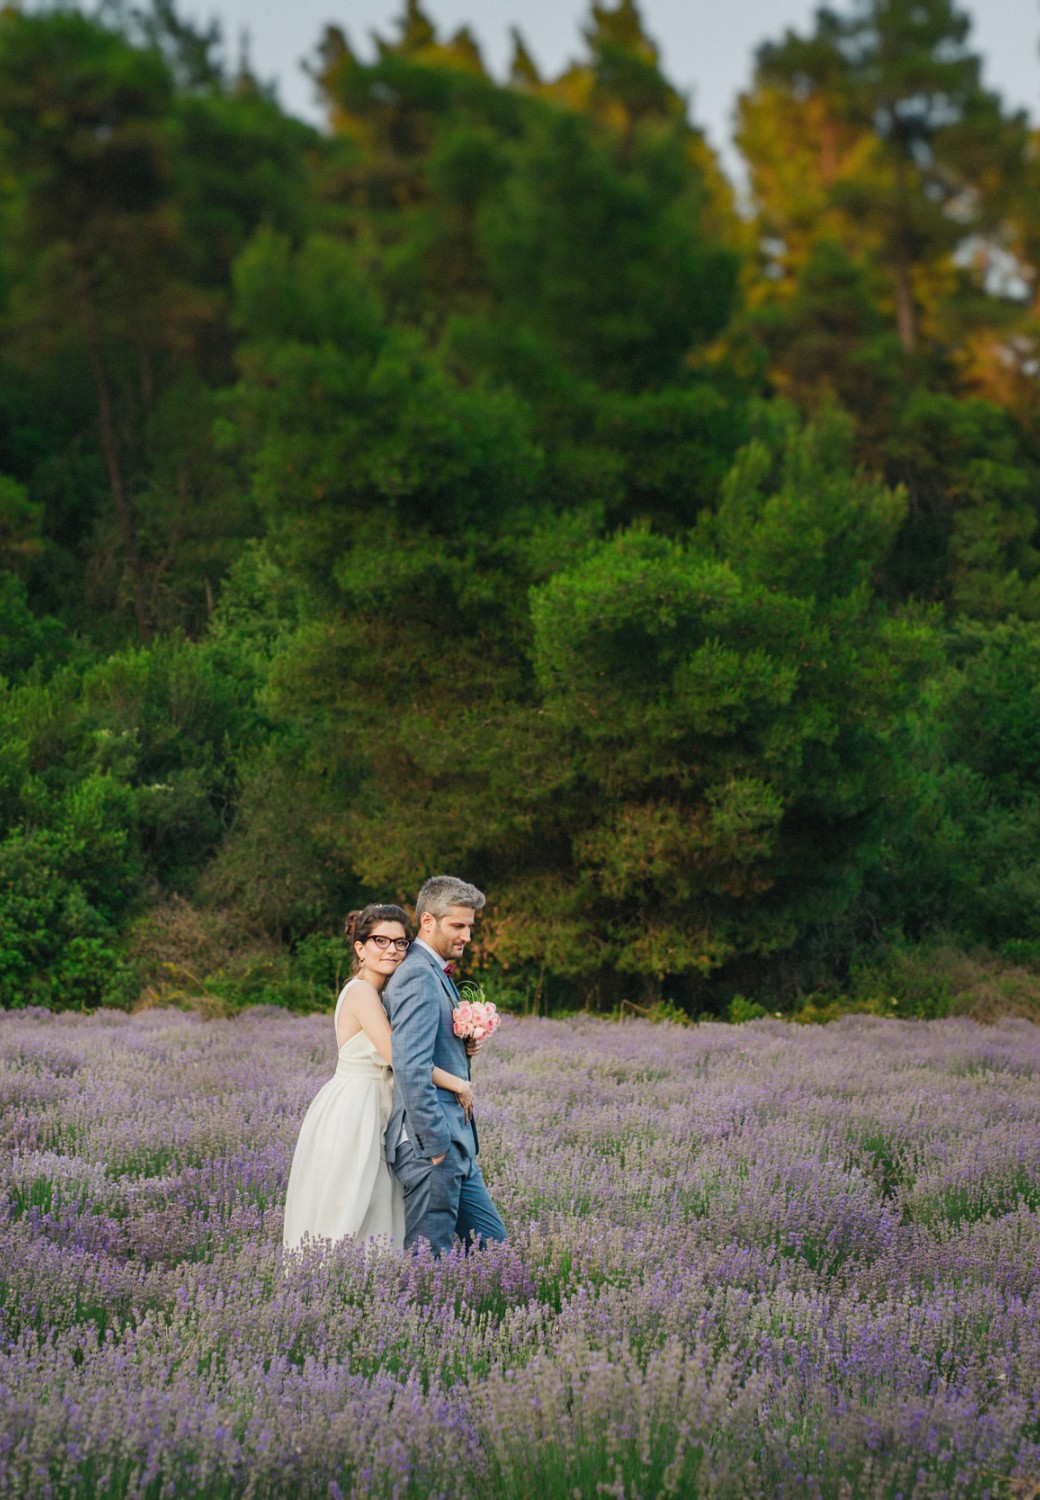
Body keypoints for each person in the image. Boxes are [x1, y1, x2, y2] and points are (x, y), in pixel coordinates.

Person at [283, 903, 474, 1254]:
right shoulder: (361, 993)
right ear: (360, 948)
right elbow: (400, 1058)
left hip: (378, 1102)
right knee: (355, 1204)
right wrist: (458, 1083)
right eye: (380, 941)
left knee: (382, 1205)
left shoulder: (383, 993)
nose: (392, 950)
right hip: (357, 1107)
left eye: (400, 943)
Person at [383, 875, 507, 1255]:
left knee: (492, 1245)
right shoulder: (418, 976)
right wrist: (436, 1147)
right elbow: (410, 1067)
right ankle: (419, 1315)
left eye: (470, 926)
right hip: (435, 1145)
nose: (467, 936)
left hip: (458, 1142)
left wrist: (462, 1046)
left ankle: (468, 1313)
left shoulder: (436, 973)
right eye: (458, 925)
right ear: (427, 922)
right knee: (429, 1257)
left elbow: (428, 1047)